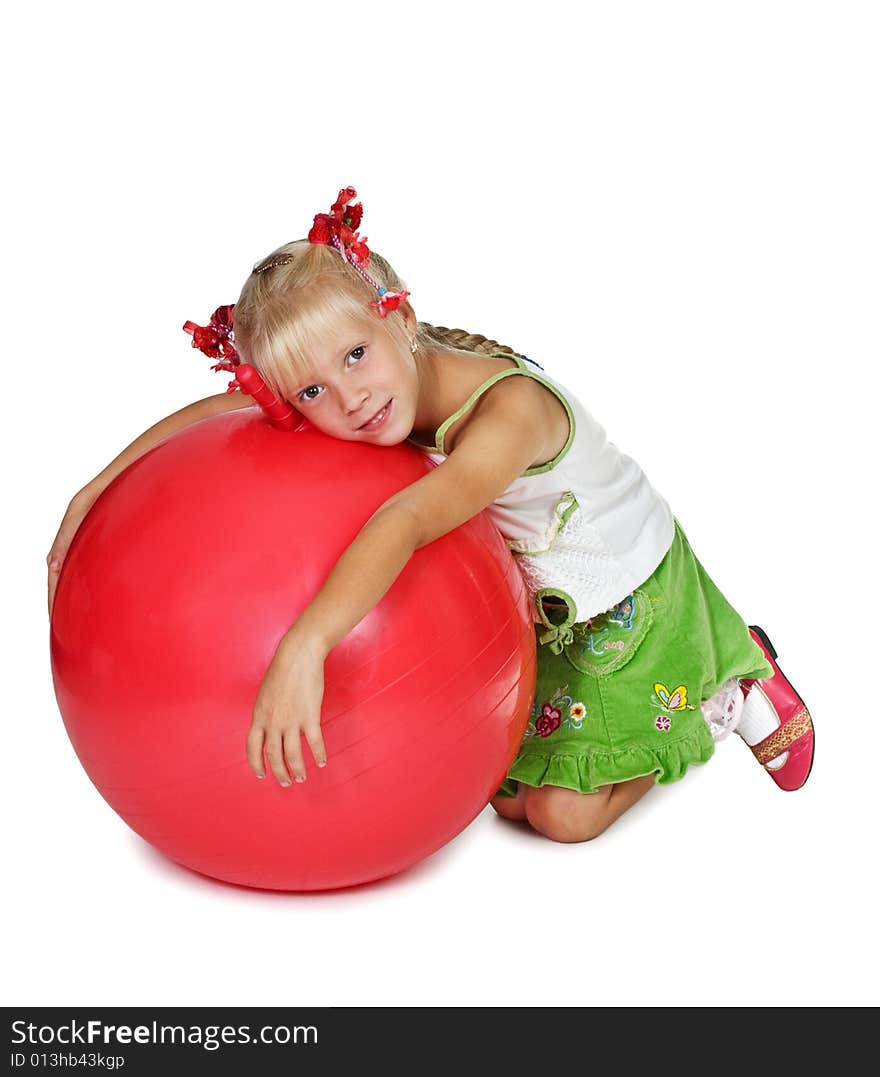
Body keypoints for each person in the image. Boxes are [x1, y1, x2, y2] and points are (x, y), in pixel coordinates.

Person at [47, 186, 815, 843]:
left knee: (558, 817)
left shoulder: (507, 413)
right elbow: (219, 409)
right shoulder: (390, 384)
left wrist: (305, 643)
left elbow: (408, 521)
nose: (348, 399)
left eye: (354, 356)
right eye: (310, 391)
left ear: (400, 319)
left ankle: (726, 684)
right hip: (533, 621)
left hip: (628, 605)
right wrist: (95, 489)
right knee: (502, 798)